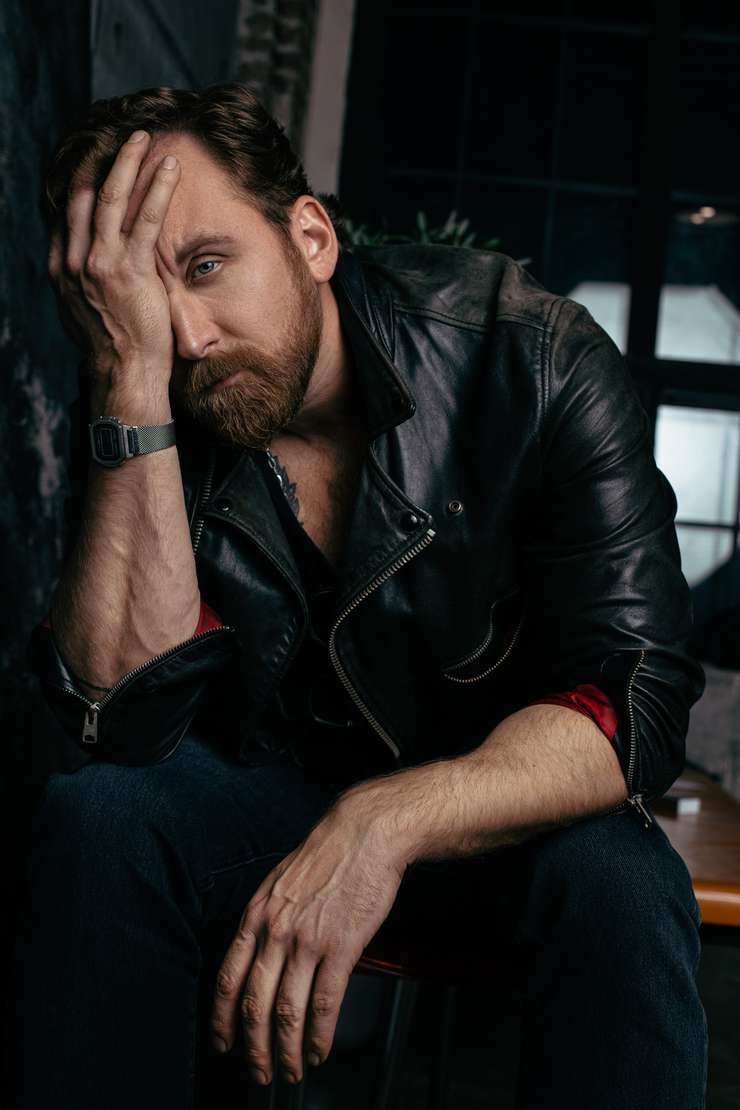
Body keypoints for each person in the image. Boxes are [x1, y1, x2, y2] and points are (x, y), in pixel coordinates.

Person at [12, 82, 707, 1109]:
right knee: (101, 818)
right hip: (276, 796)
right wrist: (128, 384)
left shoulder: (529, 354)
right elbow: (122, 716)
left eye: (206, 266)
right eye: (142, 299)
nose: (189, 336)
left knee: (626, 882)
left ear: (310, 237)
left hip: (506, 807)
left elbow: (635, 697)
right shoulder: (148, 387)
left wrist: (383, 821)